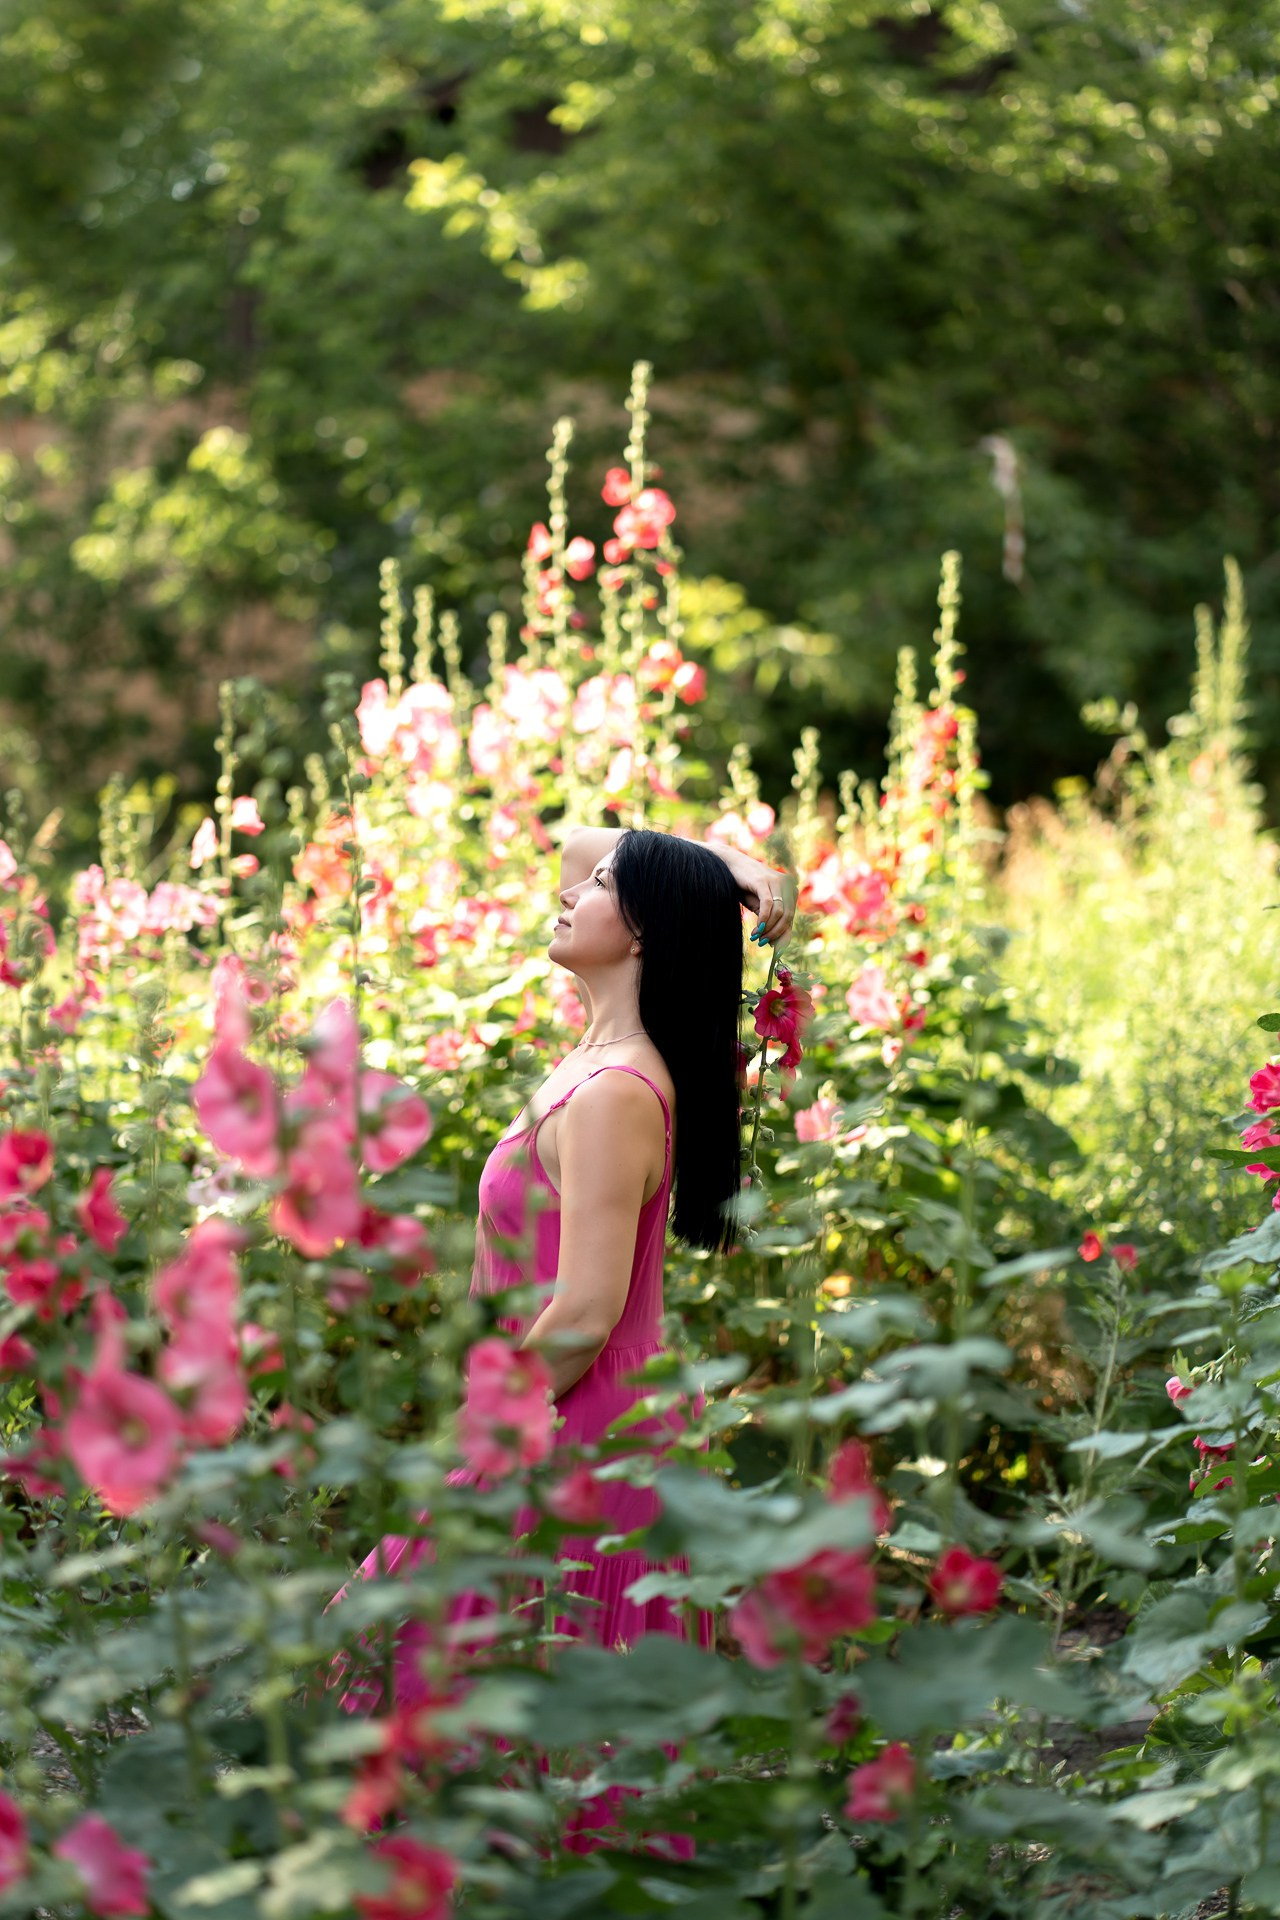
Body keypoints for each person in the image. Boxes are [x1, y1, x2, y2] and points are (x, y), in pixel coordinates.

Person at [331, 825, 794, 1710]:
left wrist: (488, 1423)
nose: (567, 890)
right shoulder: (596, 1064)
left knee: (438, 1691)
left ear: (646, 930)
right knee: (446, 1694)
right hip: (549, 1409)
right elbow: (585, 840)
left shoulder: (617, 1090)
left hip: (578, 1422)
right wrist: (732, 869)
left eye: (601, 888)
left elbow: (585, 1310)